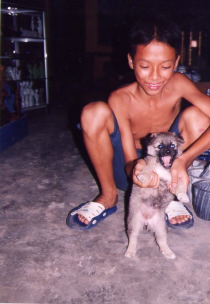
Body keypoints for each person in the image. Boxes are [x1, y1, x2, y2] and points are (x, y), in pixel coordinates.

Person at [66, 15, 210, 230]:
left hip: (170, 167)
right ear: (131, 61)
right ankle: (108, 196)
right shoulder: (120, 98)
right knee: (92, 112)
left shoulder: (179, 83)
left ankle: (171, 197)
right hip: (130, 173)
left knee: (198, 116)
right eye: (144, 66)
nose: (154, 77)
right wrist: (138, 168)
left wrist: (185, 160)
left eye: (165, 67)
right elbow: (128, 161)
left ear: (177, 62)